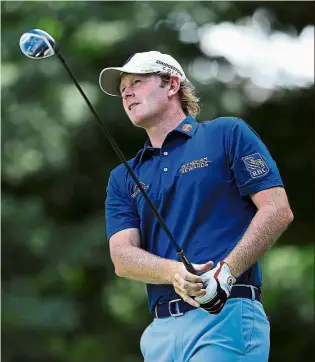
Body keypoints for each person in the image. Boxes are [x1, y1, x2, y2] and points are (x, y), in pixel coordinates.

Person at [99, 51, 294, 362]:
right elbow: (122, 257)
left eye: (137, 82)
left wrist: (225, 273)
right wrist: (175, 272)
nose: (127, 92)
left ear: (172, 84)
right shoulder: (123, 176)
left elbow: (277, 209)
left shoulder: (226, 133)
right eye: (123, 89)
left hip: (226, 315)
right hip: (160, 334)